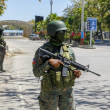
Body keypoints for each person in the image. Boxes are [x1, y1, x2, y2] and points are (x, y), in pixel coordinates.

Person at [32, 20, 81, 110]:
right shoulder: (42, 50)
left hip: (67, 92)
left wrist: (76, 72)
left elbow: (73, 68)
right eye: (62, 32)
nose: (64, 34)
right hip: (49, 93)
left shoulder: (69, 50)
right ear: (53, 33)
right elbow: (36, 73)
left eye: (65, 32)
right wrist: (48, 63)